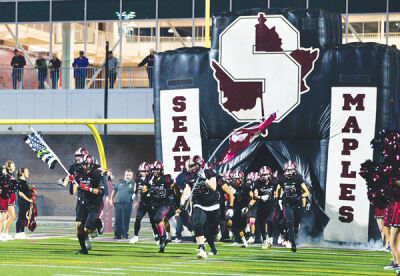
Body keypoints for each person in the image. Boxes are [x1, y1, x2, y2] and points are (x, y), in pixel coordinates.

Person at [181, 155, 219, 259]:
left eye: (194, 165)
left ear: (200, 164)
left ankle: (213, 248)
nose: (192, 167)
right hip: (199, 204)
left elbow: (214, 187)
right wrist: (183, 198)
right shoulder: (189, 175)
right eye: (191, 165)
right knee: (198, 224)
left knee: (210, 230)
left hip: (213, 205)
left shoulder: (209, 171)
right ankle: (202, 249)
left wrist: (205, 179)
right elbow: (187, 188)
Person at [67, 154, 105, 254]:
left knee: (87, 229)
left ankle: (97, 223)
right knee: (79, 226)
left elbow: (101, 192)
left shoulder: (96, 174)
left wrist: (89, 189)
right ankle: (84, 249)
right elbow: (73, 190)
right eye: (82, 164)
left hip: (94, 203)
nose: (83, 166)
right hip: (82, 202)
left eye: (85, 164)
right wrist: (71, 182)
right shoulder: (78, 173)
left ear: (91, 165)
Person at [275, 160, 309, 253]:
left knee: (295, 226)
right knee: (289, 222)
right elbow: (278, 189)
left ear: (294, 170)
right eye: (288, 170)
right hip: (287, 204)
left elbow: (306, 192)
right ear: (284, 170)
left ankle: (290, 235)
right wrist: (278, 199)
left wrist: (300, 197)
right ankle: (292, 244)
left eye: (291, 170)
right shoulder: (282, 179)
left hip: (297, 204)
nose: (289, 172)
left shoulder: (298, 178)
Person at [147, 161, 174, 253]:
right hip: (155, 204)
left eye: (157, 169)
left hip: (165, 203)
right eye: (153, 170)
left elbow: (174, 187)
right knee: (155, 220)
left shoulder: (166, 178)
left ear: (161, 170)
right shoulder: (150, 180)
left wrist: (177, 197)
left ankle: (162, 238)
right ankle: (162, 237)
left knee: (158, 218)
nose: (155, 172)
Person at [130, 162, 159, 245]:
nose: (141, 173)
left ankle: (156, 235)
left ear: (147, 171)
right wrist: (134, 194)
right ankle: (135, 236)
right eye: (141, 171)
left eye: (143, 171)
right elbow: (136, 189)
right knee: (138, 218)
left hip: (151, 202)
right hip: (143, 202)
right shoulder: (138, 179)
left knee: (153, 221)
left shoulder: (152, 179)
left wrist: (148, 189)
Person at [230, 170, 255, 248]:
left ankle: (248, 232)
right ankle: (244, 242)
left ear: (242, 179)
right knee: (237, 226)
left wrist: (248, 206)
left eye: (238, 179)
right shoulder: (232, 186)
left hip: (245, 207)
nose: (236, 181)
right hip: (236, 207)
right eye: (235, 179)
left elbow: (253, 198)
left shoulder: (246, 186)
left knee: (244, 222)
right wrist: (230, 207)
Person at [254, 166, 275, 249]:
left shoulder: (274, 182)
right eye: (262, 175)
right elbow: (254, 195)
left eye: (265, 174)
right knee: (262, 223)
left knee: (270, 220)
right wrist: (260, 197)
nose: (264, 176)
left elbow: (279, 190)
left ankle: (271, 236)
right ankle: (265, 240)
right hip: (261, 206)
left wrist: (279, 199)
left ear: (269, 175)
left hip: (271, 205)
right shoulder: (258, 183)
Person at [110, 169, 135, 239]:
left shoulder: (133, 184)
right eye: (127, 175)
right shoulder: (119, 182)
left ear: (132, 176)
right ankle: (117, 234)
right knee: (117, 220)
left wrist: (135, 202)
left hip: (127, 204)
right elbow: (114, 191)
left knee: (125, 220)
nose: (128, 176)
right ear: (125, 175)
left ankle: (125, 234)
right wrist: (111, 199)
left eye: (129, 175)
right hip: (118, 204)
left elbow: (137, 194)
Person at [1, 161, 18, 240]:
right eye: (13, 166)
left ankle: (5, 233)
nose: (14, 167)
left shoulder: (12, 175)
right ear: (8, 167)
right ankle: (4, 233)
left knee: (8, 216)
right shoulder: (6, 175)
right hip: (7, 196)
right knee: (12, 216)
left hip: (12, 196)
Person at [15, 168, 33, 238]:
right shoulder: (20, 181)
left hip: (26, 202)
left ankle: (22, 232)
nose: (28, 173)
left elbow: (27, 191)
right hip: (23, 202)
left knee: (24, 218)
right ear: (22, 173)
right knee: (21, 217)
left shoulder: (25, 181)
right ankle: (17, 233)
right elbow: (20, 193)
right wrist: (28, 200)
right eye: (27, 171)